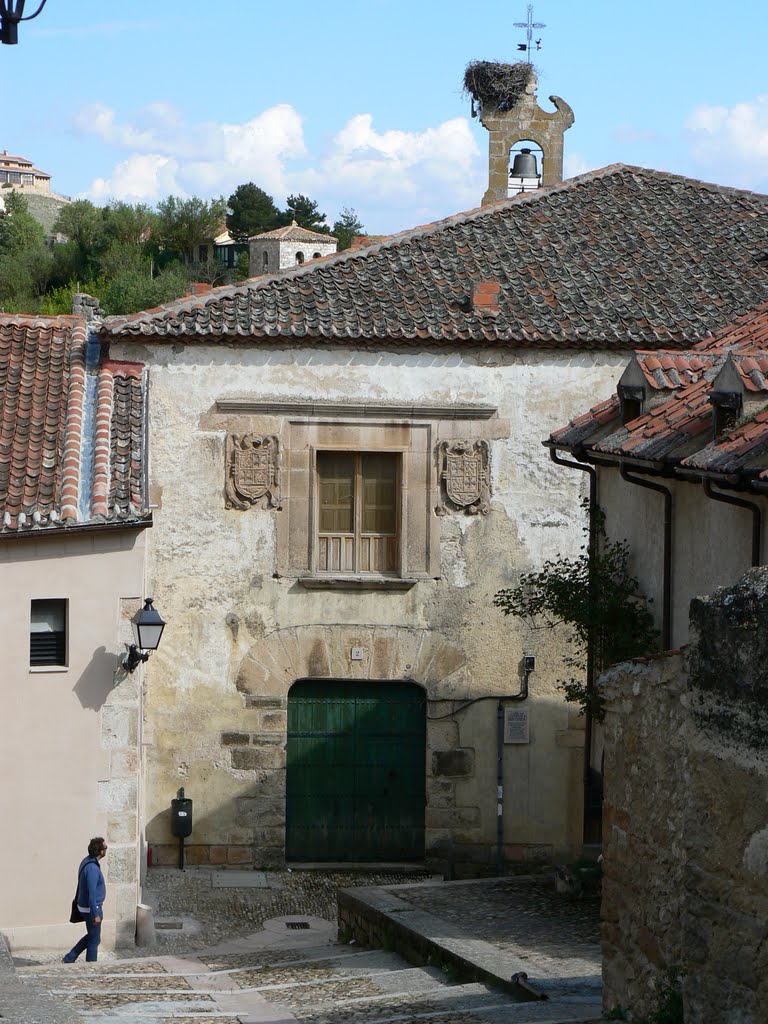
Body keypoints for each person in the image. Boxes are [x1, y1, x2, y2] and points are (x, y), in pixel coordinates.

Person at [62, 837, 107, 963]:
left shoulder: (87, 861)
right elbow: (92, 893)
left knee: (93, 936)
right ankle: (90, 966)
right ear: (101, 851)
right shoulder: (92, 868)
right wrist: (95, 914)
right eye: (105, 848)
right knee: (94, 940)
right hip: (91, 908)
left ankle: (70, 958)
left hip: (85, 907)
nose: (106, 850)